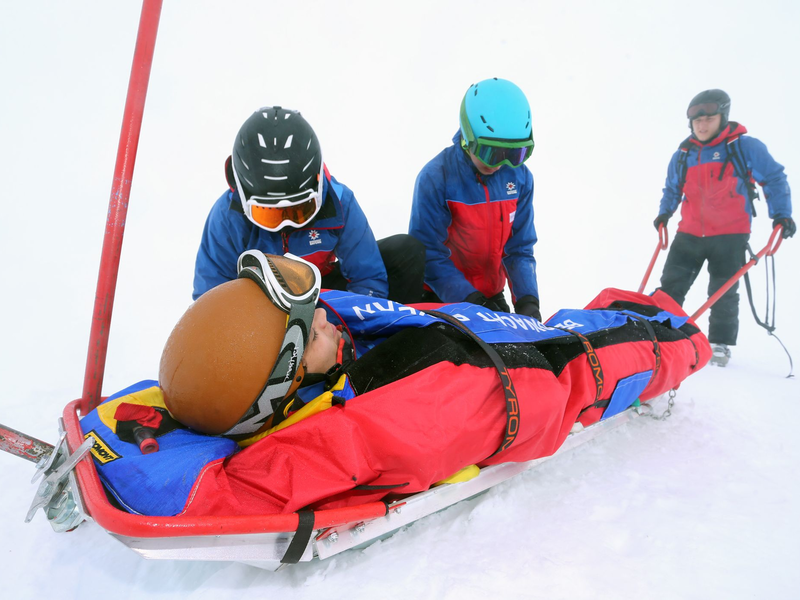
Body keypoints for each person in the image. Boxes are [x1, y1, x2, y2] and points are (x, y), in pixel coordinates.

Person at [78, 251, 710, 518]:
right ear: (287, 374)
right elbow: (221, 495)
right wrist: (683, 345)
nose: (325, 312)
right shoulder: (349, 432)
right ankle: (679, 336)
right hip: (511, 380)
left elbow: (161, 398)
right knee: (604, 356)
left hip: (463, 334)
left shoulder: (279, 371)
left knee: (579, 324)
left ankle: (640, 316)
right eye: (311, 324)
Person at [193, 106, 425, 304]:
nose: (286, 223)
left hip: (318, 296)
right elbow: (210, 300)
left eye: (299, 210)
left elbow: (368, 278)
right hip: (261, 308)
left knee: (405, 252)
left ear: (317, 188)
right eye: (268, 214)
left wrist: (345, 332)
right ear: (244, 197)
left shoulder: (339, 202)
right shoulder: (227, 218)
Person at [653, 89, 794, 367]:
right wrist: (664, 214)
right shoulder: (683, 155)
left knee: (723, 291)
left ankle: (719, 345)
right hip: (689, 233)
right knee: (670, 287)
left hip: (730, 235)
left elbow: (774, 178)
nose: (702, 125)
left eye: (709, 119)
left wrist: (782, 215)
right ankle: (658, 334)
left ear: (723, 117)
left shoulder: (743, 147)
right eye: (697, 121)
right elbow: (672, 189)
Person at [409, 78, 540, 320]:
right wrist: (470, 301)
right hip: (443, 295)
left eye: (516, 153)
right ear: (468, 138)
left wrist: (527, 301)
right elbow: (429, 254)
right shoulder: (437, 178)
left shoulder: (520, 179)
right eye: (491, 152)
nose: (502, 164)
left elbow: (519, 248)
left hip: (489, 295)